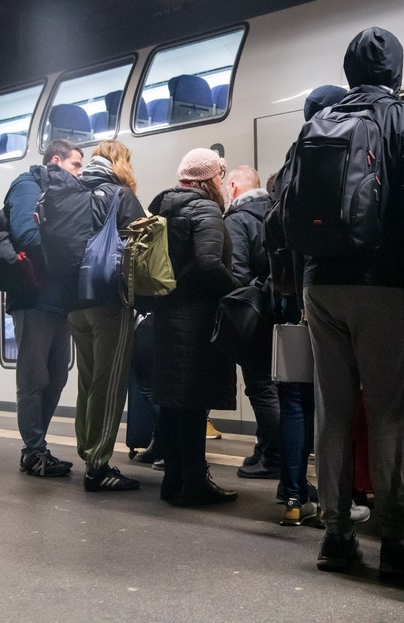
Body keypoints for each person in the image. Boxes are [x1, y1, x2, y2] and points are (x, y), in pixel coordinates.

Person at [303, 27, 404, 575]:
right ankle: (396, 537)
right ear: (397, 73)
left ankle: (337, 536)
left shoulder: (319, 121)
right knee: (388, 411)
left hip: (319, 285)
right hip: (380, 285)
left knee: (334, 412)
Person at [266, 85, 370, 528]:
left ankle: (294, 495)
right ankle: (336, 501)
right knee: (331, 402)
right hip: (321, 294)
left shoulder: (290, 164)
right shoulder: (340, 154)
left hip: (292, 297)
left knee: (294, 400)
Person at [148, 148, 241, 506]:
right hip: (197, 321)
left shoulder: (163, 207)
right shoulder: (205, 208)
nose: (222, 181)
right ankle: (194, 483)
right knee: (194, 405)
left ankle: (173, 481)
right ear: (208, 179)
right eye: (220, 174)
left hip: (167, 317)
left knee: (173, 405)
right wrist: (238, 290)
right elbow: (207, 263)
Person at [68, 139, 146, 492]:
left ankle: (87, 449)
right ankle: (98, 466)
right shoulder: (119, 194)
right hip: (108, 300)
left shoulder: (72, 192)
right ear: (121, 163)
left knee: (87, 379)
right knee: (109, 383)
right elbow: (144, 243)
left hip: (73, 302)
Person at [6, 139, 83, 477]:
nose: (81, 172)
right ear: (56, 160)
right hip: (33, 297)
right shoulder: (27, 185)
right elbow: (24, 233)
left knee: (58, 376)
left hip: (58, 301)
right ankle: (33, 451)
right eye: (76, 165)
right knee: (34, 377)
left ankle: (39, 446)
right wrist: (66, 252)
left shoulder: (65, 197)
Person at [223, 164, 282, 480]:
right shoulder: (275, 210)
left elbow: (238, 274)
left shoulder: (238, 219)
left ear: (233, 186)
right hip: (281, 312)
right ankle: (264, 449)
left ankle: (273, 458)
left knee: (260, 387)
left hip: (255, 316)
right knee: (278, 388)